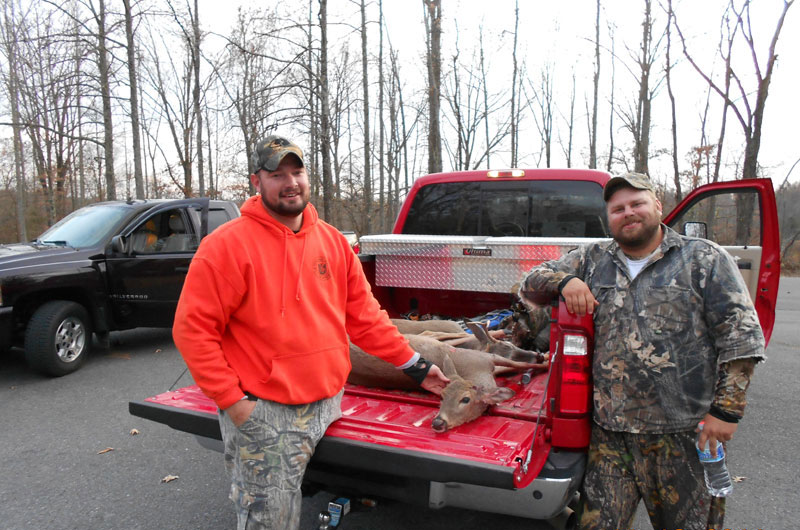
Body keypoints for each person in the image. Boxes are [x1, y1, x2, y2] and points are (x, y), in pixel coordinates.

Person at [172, 135, 449, 530]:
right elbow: (192, 331)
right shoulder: (226, 247)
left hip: (328, 404)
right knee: (269, 522)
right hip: (267, 413)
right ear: (256, 181)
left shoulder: (333, 243)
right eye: (277, 174)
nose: (290, 182)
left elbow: (367, 319)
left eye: (297, 171)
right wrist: (235, 403)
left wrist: (417, 367)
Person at [519, 172, 764, 530]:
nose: (628, 213)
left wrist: (727, 411)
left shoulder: (703, 258)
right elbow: (530, 280)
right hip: (610, 437)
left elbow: (741, 337)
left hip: (682, 435)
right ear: (609, 217)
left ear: (658, 206)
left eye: (637, 204)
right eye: (618, 209)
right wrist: (566, 280)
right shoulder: (592, 258)